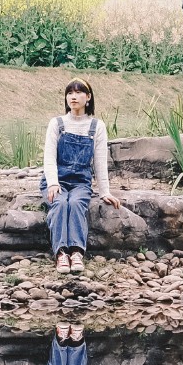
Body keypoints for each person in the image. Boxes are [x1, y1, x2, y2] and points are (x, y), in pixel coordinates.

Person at [42, 78, 120, 273]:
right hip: (57, 180)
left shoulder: (97, 126)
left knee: (76, 204)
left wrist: (105, 192)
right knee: (60, 203)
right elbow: (49, 156)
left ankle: (76, 252)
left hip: (80, 182)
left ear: (88, 97)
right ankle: (61, 254)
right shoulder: (57, 124)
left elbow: (100, 162)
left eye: (78, 92)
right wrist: (52, 183)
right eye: (69, 93)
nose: (73, 97)